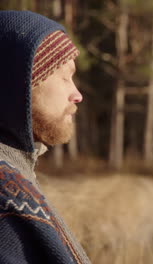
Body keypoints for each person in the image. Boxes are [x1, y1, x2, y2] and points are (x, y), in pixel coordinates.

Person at [0, 11, 91, 263]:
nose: (77, 94)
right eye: (64, 76)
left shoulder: (16, 176)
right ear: (20, 85)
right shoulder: (7, 197)